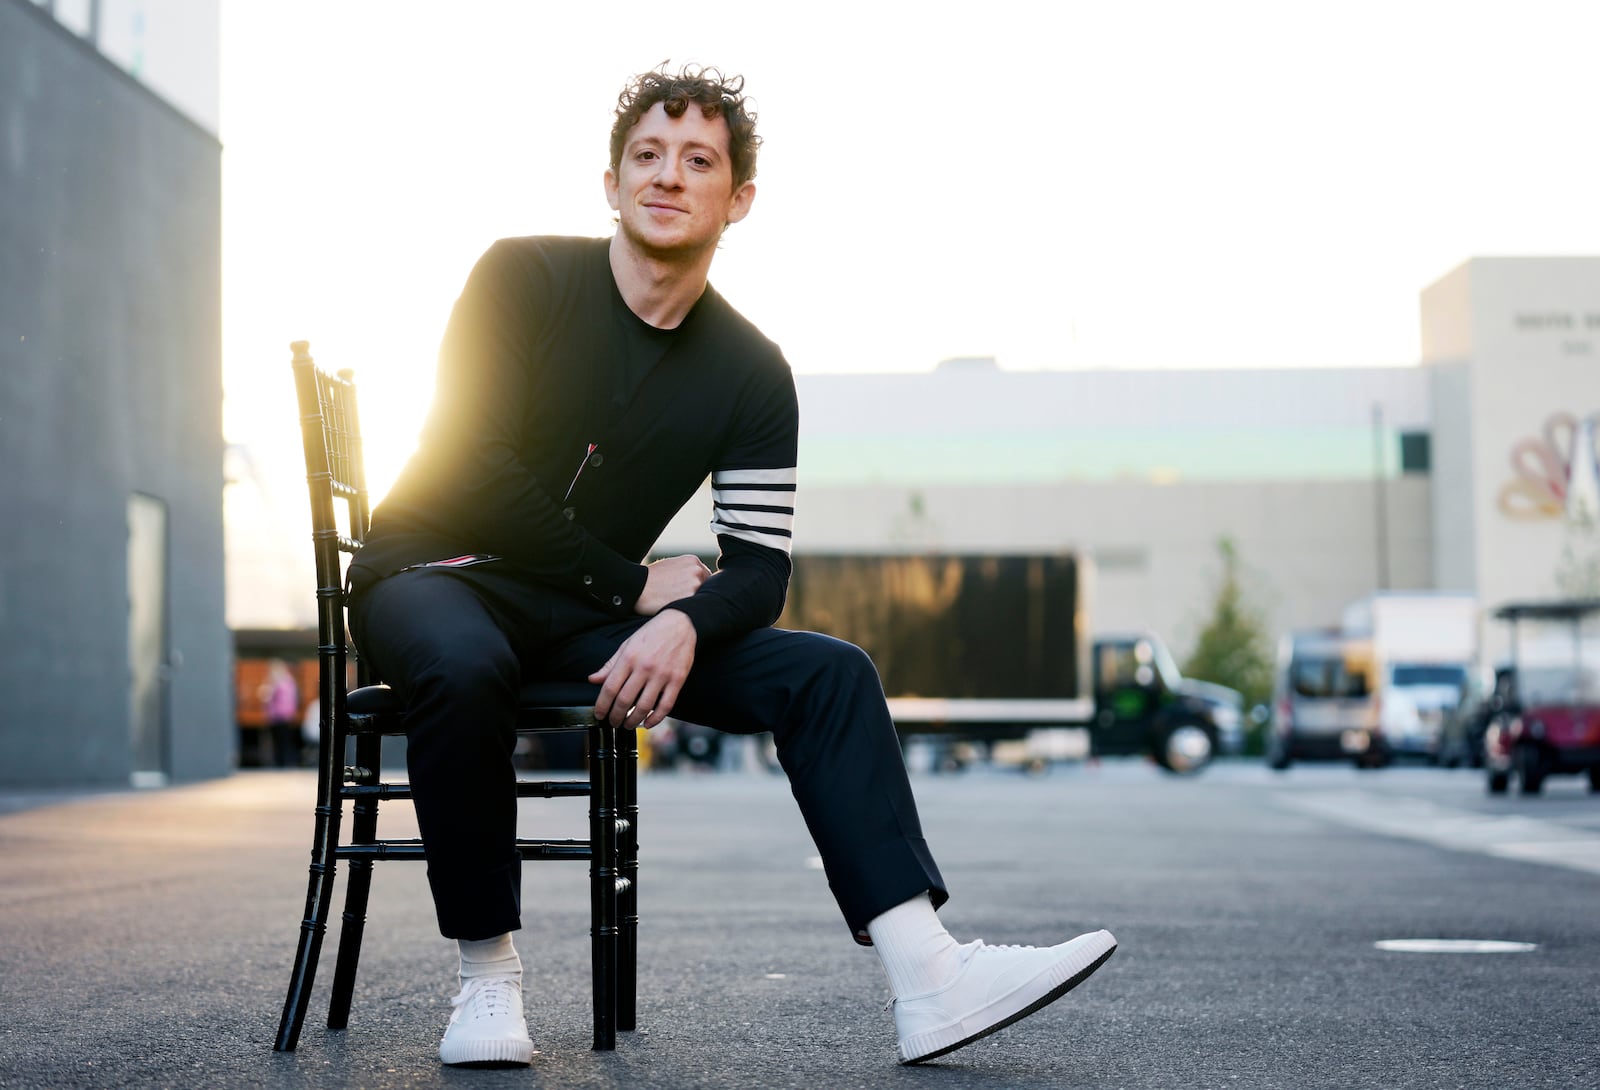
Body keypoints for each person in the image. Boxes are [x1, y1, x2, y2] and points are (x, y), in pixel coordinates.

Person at [345, 62, 1116, 1068]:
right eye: (646, 156)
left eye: (697, 159)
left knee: (829, 672)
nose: (668, 176)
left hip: (580, 612)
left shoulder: (751, 372)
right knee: (464, 663)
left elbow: (757, 570)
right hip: (432, 572)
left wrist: (680, 623)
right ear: (611, 184)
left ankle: (930, 974)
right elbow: (478, 471)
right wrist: (633, 588)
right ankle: (487, 980)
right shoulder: (520, 277)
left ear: (737, 198)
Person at [260, 659, 301, 768]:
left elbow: (267, 697)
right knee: (286, 740)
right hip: (288, 715)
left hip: (277, 716)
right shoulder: (290, 681)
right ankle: (287, 762)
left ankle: (280, 763)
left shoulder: (277, 682)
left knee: (278, 741)